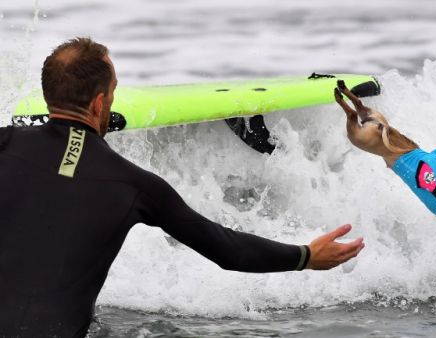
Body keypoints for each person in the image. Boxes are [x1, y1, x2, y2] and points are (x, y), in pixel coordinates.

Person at [0, 37, 364, 337]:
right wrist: (305, 256)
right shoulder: (134, 184)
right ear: (99, 102)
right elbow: (228, 250)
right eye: (113, 92)